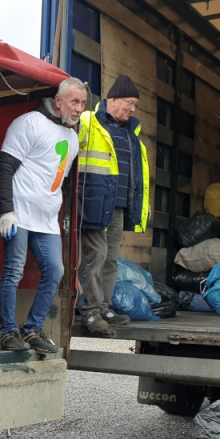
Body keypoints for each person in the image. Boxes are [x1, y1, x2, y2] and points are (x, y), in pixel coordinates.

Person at [0, 77, 86, 353]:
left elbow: (60, 183)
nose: (79, 108)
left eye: (82, 102)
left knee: (55, 270)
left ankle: (32, 329)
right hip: (19, 214)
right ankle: (9, 332)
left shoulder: (72, 138)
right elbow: (3, 168)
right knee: (14, 270)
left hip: (46, 220)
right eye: (74, 101)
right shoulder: (29, 123)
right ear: (58, 101)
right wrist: (5, 212)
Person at [76, 74, 149, 336]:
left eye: (135, 106)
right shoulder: (88, 121)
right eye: (129, 103)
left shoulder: (131, 132)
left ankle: (105, 307)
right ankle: (91, 311)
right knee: (95, 257)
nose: (132, 109)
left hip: (118, 205)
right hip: (94, 203)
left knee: (110, 259)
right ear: (113, 99)